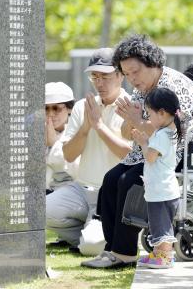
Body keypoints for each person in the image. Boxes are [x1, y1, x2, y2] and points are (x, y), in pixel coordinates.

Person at [82, 34, 193, 269]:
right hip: (148, 147)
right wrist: (130, 119)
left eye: (135, 72)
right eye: (127, 74)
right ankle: (112, 248)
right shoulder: (142, 89)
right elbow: (126, 132)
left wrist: (135, 120)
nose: (132, 79)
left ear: (153, 63)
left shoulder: (170, 88)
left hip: (178, 150)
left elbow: (164, 135)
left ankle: (125, 252)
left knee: (128, 181)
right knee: (111, 179)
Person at [45, 48, 132, 254]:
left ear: (121, 75)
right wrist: (85, 127)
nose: (99, 83)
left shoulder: (132, 106)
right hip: (81, 190)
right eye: (95, 76)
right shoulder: (82, 106)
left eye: (105, 76)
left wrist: (99, 126)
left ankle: (96, 236)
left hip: (111, 195)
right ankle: (90, 234)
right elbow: (69, 155)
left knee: (92, 246)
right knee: (36, 210)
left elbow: (129, 155)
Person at [132, 88, 182, 269]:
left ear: (162, 112)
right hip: (163, 189)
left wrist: (143, 143)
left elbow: (150, 157)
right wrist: (146, 140)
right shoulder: (169, 131)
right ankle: (158, 254)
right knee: (159, 224)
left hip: (161, 191)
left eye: (149, 113)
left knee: (161, 226)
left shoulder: (162, 134)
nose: (148, 118)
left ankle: (165, 257)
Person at [45, 82, 77, 194]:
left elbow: (76, 171)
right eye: (46, 108)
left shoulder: (78, 132)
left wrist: (53, 146)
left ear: (69, 108)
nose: (50, 114)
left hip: (71, 191)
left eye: (56, 108)